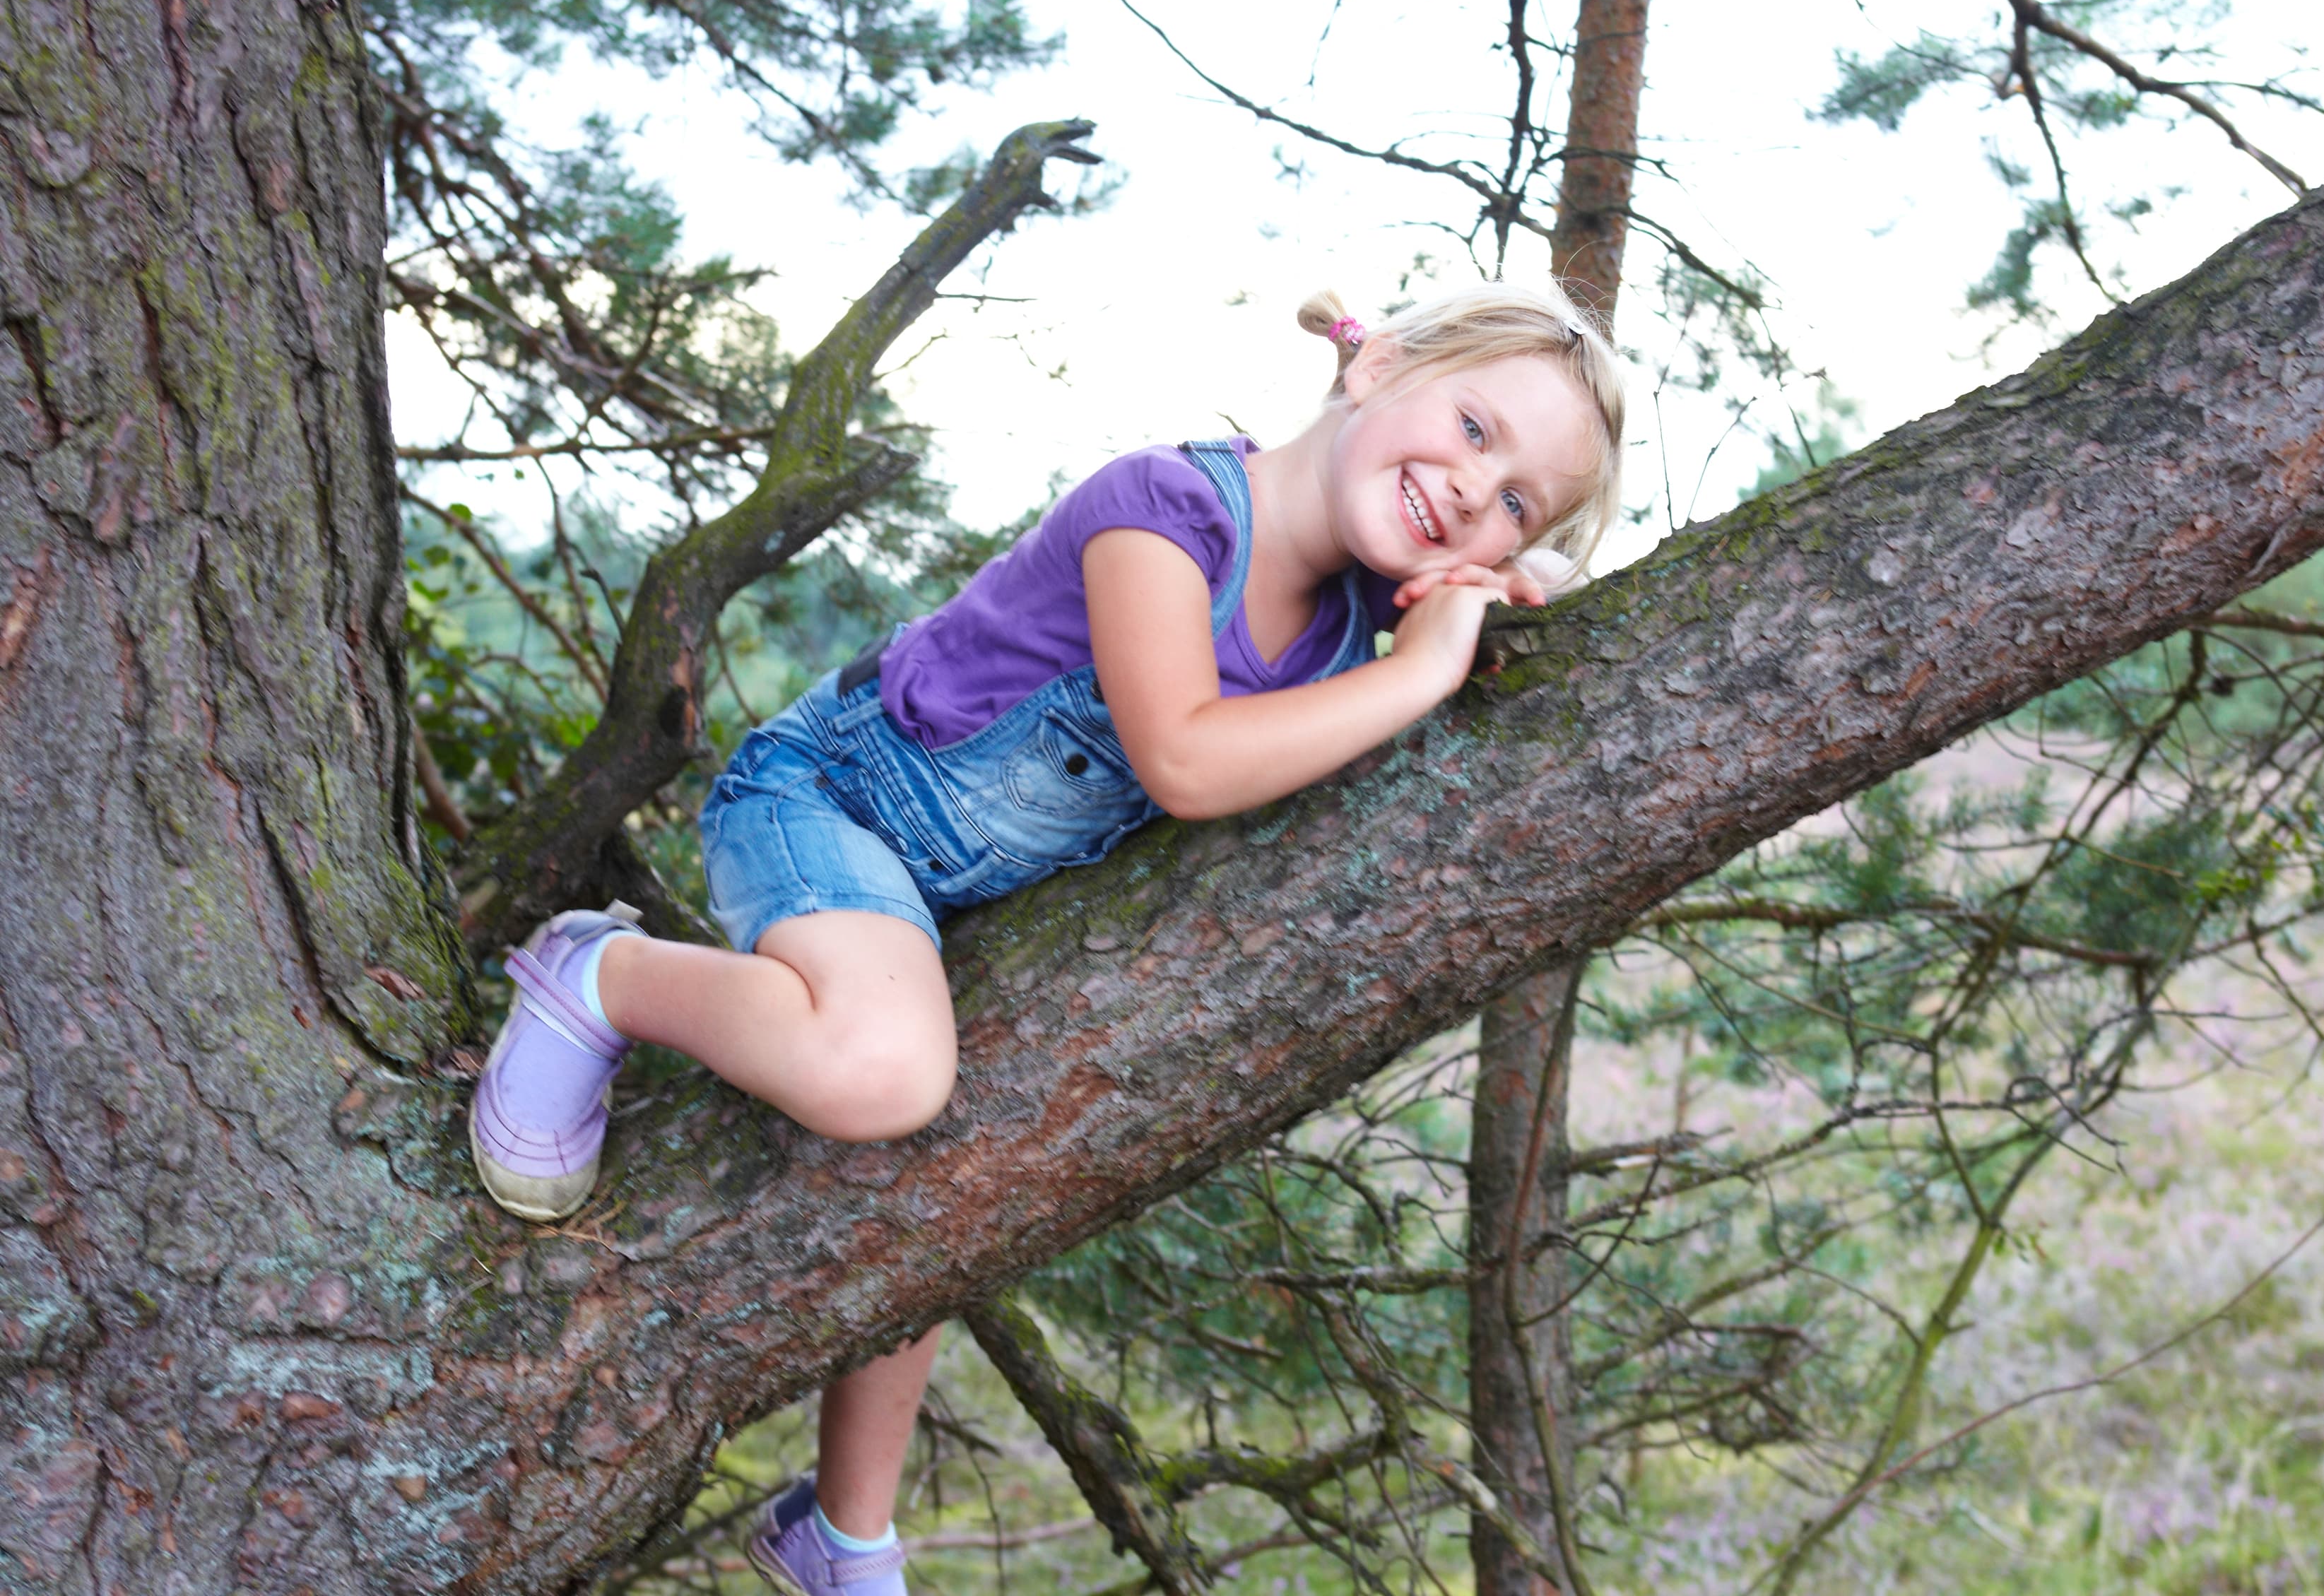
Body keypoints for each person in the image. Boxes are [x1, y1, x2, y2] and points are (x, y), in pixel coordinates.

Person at [467, 280, 1629, 1595]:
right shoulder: (1169, 513)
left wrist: (1498, 586)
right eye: (1476, 430)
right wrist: (1421, 673)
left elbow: (1491, 582)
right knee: (885, 1076)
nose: (1479, 492)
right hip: (836, 803)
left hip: (964, 903)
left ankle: (839, 1529)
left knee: (961, 1167)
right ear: (1380, 366)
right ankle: (597, 974)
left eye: (1520, 498)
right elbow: (1185, 758)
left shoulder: (1365, 616)